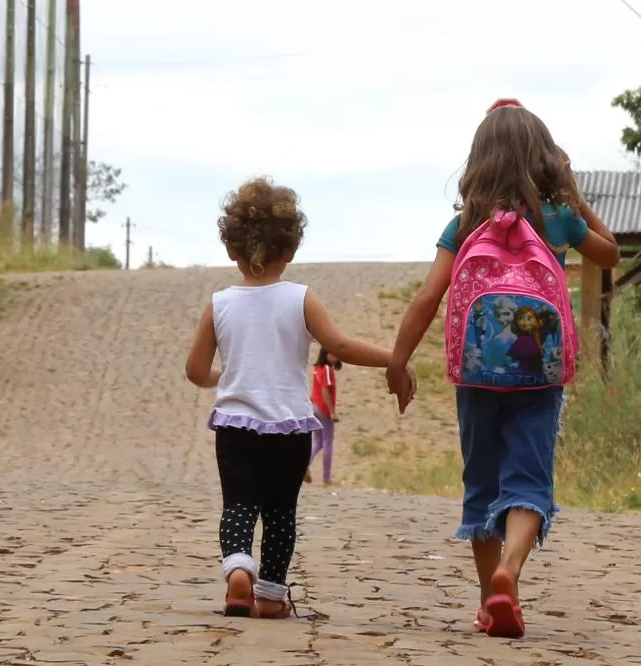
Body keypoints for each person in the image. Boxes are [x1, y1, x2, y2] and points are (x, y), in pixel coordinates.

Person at [385, 105, 620, 638]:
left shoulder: (464, 224)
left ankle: (488, 600)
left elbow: (428, 297)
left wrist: (398, 360)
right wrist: (574, 194)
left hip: (476, 376)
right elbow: (608, 255)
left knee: (482, 482)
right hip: (540, 377)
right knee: (529, 480)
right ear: (546, 159)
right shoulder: (558, 218)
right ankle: (509, 572)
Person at [185, 177, 415, 620]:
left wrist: (227, 376)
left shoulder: (219, 304)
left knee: (238, 505)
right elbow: (341, 346)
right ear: (290, 250)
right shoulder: (301, 298)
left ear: (231, 249)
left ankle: (238, 570)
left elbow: (195, 371)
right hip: (289, 429)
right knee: (280, 513)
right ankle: (271, 596)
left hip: (235, 427)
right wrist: (395, 359)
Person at [306, 347, 342, 486]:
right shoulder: (327, 369)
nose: (336, 356)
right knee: (328, 442)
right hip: (323, 408)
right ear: (326, 354)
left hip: (314, 406)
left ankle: (305, 465)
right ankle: (326, 477)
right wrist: (332, 412)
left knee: (318, 441)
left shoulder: (318, 368)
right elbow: (324, 390)